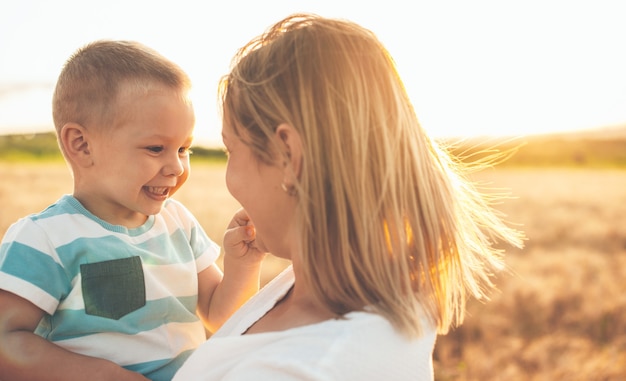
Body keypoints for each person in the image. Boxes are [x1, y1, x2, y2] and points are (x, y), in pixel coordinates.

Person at [174, 13, 524, 380]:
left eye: (231, 150)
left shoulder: (303, 369)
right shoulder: (354, 281)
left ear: (289, 156)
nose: (231, 182)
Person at [0, 40, 264, 381]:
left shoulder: (178, 224)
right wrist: (101, 374)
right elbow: (6, 341)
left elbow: (220, 316)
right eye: (156, 148)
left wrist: (244, 263)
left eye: (184, 148)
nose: (176, 167)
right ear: (81, 145)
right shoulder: (44, 238)